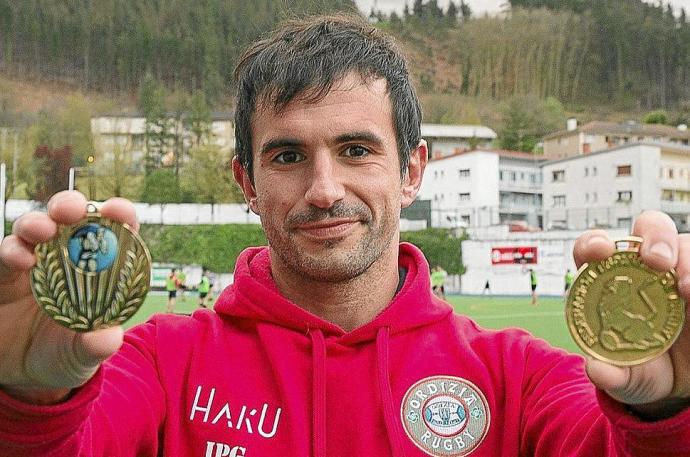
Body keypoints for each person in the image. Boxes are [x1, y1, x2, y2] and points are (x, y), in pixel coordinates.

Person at [0, 14, 689, 457]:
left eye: (357, 149)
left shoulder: (521, 378)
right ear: (245, 180)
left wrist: (668, 415)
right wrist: (28, 409)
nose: (325, 188)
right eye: (288, 155)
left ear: (413, 168)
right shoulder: (160, 365)